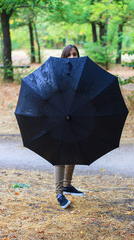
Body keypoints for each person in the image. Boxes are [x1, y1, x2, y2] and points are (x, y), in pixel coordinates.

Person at [55, 45, 84, 209]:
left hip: (75, 116)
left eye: (75, 54)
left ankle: (67, 185)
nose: (73, 57)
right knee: (60, 156)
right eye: (69, 55)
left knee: (73, 151)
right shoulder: (59, 74)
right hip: (60, 115)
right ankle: (59, 193)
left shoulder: (82, 73)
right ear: (64, 57)